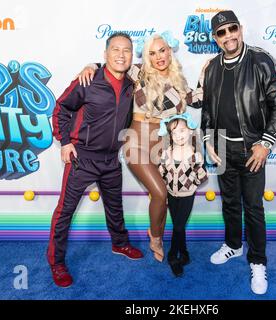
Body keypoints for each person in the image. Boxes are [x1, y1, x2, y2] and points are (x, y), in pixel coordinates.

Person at [78, 32, 203, 262]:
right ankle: (155, 237)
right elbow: (112, 65)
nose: (158, 57)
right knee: (160, 192)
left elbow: (195, 99)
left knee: (162, 198)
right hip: (136, 140)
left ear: (170, 51)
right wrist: (90, 65)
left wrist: (207, 76)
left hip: (165, 144)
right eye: (152, 53)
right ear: (147, 56)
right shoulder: (138, 72)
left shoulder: (179, 79)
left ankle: (156, 233)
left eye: (162, 50)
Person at [201, 10, 276, 294]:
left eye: (231, 29)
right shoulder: (212, 68)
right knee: (230, 202)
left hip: (252, 148)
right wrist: (208, 140)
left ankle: (258, 262)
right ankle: (232, 245)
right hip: (222, 149)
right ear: (215, 38)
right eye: (221, 32)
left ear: (240, 29)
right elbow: (207, 110)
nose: (228, 36)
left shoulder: (261, 60)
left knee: (253, 207)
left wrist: (265, 143)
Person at [47, 32, 143, 288]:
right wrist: (65, 141)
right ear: (105, 54)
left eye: (127, 50)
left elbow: (157, 68)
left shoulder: (134, 81)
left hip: (111, 159)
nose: (121, 55)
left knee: (115, 207)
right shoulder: (87, 80)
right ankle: (57, 263)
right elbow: (61, 109)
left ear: (132, 56)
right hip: (83, 158)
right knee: (64, 212)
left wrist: (96, 63)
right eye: (116, 50)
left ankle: (120, 244)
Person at [158, 113, 208, 277]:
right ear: (170, 135)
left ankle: (173, 255)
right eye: (174, 132)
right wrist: (167, 189)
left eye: (182, 130)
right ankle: (185, 253)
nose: (179, 135)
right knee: (179, 225)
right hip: (171, 195)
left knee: (178, 226)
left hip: (187, 196)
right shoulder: (166, 154)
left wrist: (188, 185)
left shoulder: (195, 156)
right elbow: (162, 173)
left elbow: (202, 177)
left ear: (190, 131)